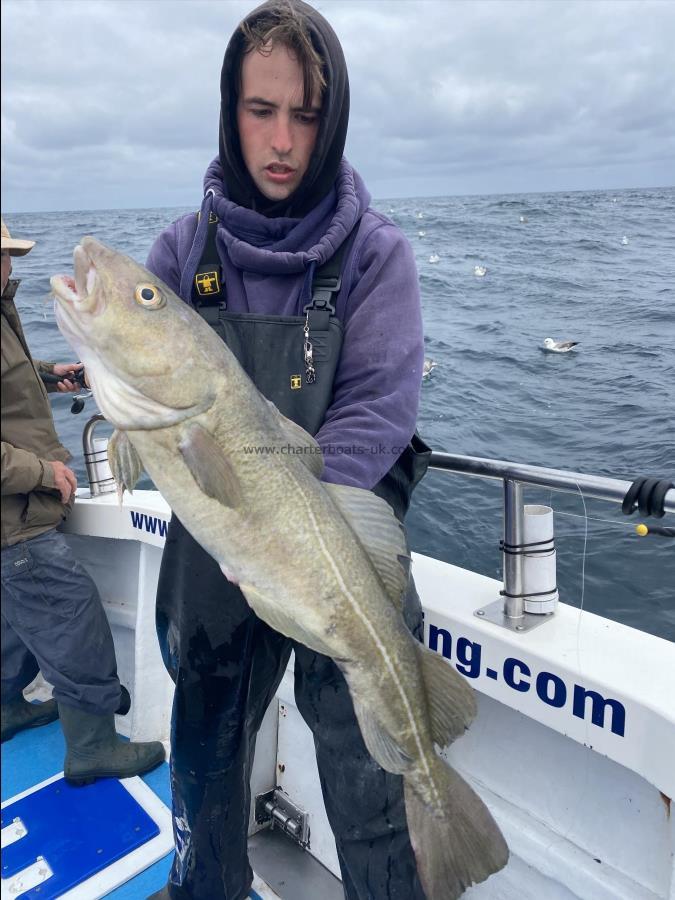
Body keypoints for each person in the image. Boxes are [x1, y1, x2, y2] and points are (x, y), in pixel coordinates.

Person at [146, 2, 429, 897]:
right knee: (204, 759)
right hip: (218, 550)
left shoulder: (375, 256)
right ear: (229, 110)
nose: (280, 140)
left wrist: (288, 537)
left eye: (305, 115)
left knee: (370, 786)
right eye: (259, 110)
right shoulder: (179, 254)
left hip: (338, 544)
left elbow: (377, 407)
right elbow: (147, 404)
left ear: (331, 118)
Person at [1, 216, 166, 783]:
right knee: (73, 620)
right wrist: (43, 472)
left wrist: (51, 374)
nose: (8, 265)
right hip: (14, 522)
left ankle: (4, 707)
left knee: (12, 621)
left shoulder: (1, 308)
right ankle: (93, 748)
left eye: (8, 254)